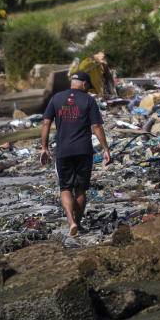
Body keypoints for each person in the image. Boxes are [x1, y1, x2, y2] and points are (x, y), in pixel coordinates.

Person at [40, 71, 110, 236]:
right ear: (84, 84)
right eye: (88, 87)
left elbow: (45, 123)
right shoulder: (88, 100)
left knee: (65, 188)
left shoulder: (56, 98)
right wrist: (106, 149)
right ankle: (77, 225)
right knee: (80, 190)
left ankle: (71, 222)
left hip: (63, 151)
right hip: (83, 151)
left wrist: (44, 147)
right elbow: (97, 127)